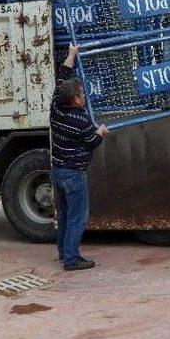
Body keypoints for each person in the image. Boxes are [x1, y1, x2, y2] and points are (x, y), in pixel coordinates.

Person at [50, 44, 109, 271]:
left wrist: (71, 54)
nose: (84, 96)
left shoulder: (56, 106)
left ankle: (64, 253)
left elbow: (62, 76)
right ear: (75, 100)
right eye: (82, 94)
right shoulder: (82, 122)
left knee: (64, 215)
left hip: (58, 171)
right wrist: (101, 132)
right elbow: (93, 143)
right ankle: (72, 259)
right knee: (77, 218)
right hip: (74, 174)